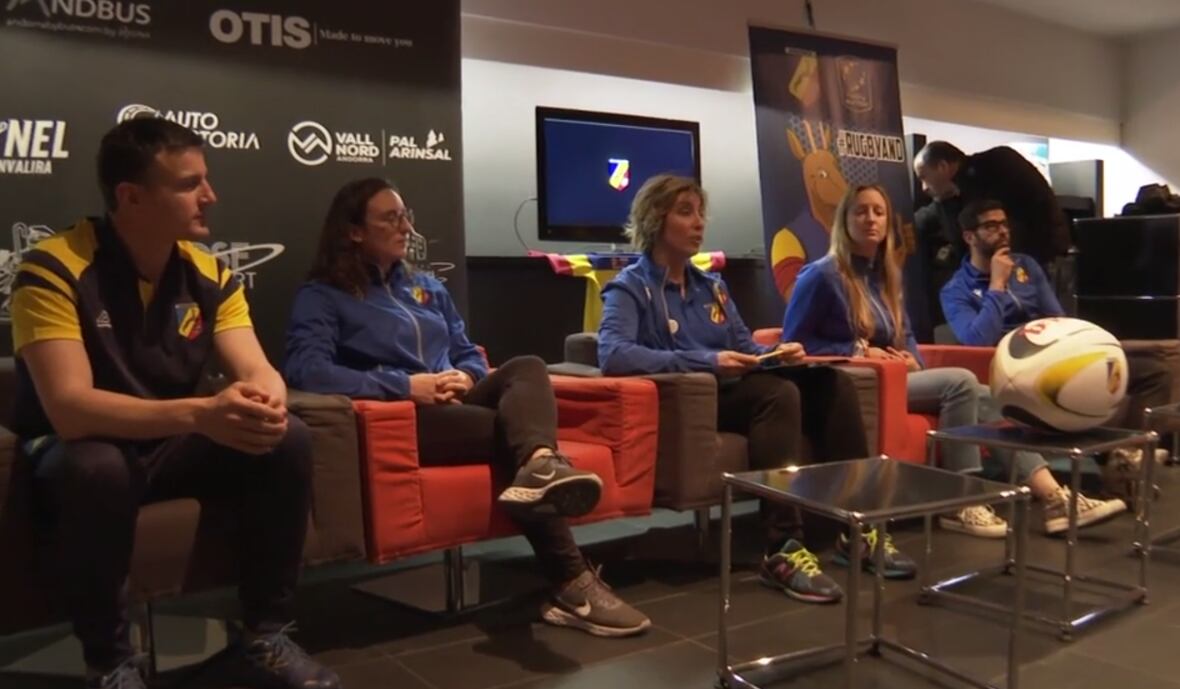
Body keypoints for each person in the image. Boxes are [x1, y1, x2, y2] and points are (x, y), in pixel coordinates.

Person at [10, 118, 341, 689]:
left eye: (205, 180)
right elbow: (70, 408)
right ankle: (110, 663)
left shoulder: (211, 273)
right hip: (76, 451)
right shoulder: (52, 268)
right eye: (190, 184)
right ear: (131, 197)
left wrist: (263, 402)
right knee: (98, 465)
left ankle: (265, 635)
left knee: (286, 438)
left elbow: (258, 368)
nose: (210, 196)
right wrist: (199, 414)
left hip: (169, 445)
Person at [282, 178, 650, 638]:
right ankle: (572, 579)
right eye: (390, 218)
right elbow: (306, 371)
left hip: (458, 402)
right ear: (354, 231)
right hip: (406, 416)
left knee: (527, 366)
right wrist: (404, 386)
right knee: (506, 432)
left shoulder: (426, 288)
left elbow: (469, 351)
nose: (405, 226)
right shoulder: (324, 294)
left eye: (406, 215)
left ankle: (540, 463)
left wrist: (469, 375)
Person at [596, 174, 908, 604]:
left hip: (734, 385)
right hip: (692, 397)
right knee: (777, 395)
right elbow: (613, 355)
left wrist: (779, 354)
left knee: (830, 383)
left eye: (701, 212)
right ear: (655, 220)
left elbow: (744, 346)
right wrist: (706, 361)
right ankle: (782, 548)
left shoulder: (713, 287)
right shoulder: (631, 287)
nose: (699, 223)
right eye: (685, 213)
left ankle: (859, 526)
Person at [782, 185, 1125, 537]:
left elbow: (907, 335)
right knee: (960, 382)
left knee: (992, 396)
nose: (871, 219)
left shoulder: (886, 276)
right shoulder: (822, 275)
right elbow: (792, 342)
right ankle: (961, 501)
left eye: (879, 212)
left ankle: (1053, 497)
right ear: (844, 220)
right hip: (854, 383)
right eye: (861, 211)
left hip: (898, 376)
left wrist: (914, 361)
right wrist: (855, 350)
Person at [940, 198, 1173, 455]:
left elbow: (1056, 316)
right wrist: (997, 285)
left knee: (1153, 371)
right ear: (970, 237)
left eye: (1005, 224)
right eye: (992, 226)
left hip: (1055, 348)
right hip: (1014, 363)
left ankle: (1128, 454)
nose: (1004, 231)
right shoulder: (955, 290)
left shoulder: (1025, 265)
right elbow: (977, 340)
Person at [913, 141, 1071, 269]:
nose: (924, 187)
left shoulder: (997, 165)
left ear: (942, 167)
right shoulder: (954, 193)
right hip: (1030, 262)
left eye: (924, 177)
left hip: (1035, 263)